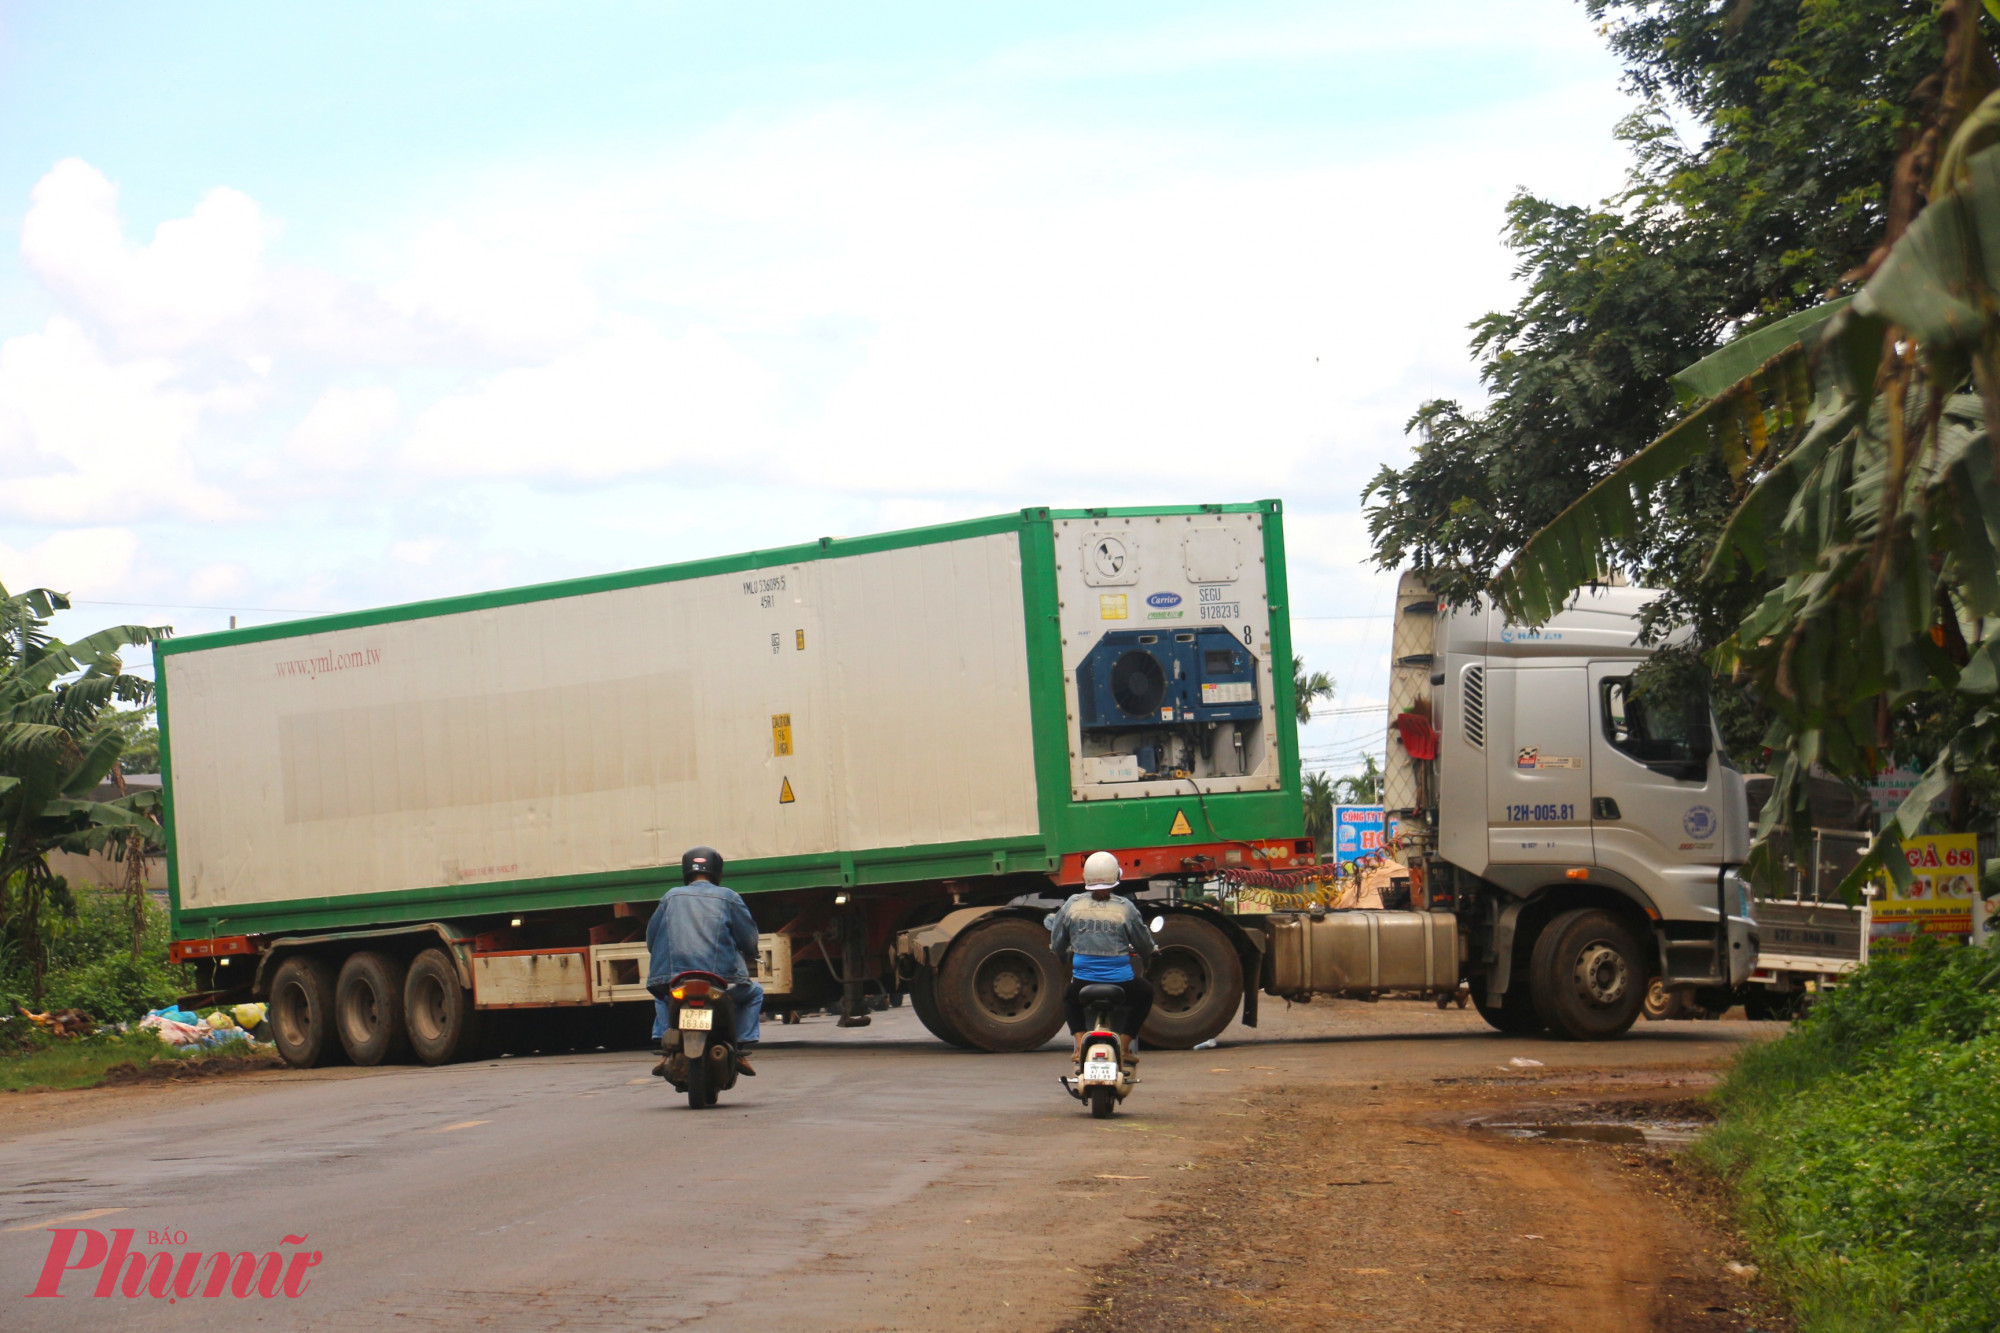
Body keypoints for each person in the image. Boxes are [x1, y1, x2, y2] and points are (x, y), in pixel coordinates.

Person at [647, 846, 763, 1077]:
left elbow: (652, 938)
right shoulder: (729, 897)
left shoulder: (670, 897)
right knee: (755, 993)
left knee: (663, 994)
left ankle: (664, 1048)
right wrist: (752, 951)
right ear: (717, 871)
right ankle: (739, 1048)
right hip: (722, 981)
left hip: (676, 979)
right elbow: (748, 937)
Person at [1048, 850, 1156, 1070]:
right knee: (1146, 993)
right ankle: (1125, 1046)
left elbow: (1058, 944)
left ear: (1085, 878)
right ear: (1115, 878)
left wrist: (1061, 955)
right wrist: (1149, 955)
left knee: (1069, 997)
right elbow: (1144, 944)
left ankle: (1079, 1045)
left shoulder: (1072, 905)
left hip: (1083, 985)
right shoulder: (1126, 908)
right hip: (1122, 985)